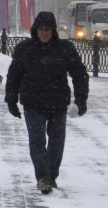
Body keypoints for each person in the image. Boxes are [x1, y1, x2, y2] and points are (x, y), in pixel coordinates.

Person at [5, 11, 89, 194]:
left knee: (57, 142)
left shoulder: (64, 48)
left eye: (48, 29)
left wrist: (80, 101)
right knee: (37, 142)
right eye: (41, 29)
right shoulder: (24, 49)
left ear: (53, 31)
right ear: (36, 30)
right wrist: (11, 99)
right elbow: (14, 76)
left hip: (58, 104)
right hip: (33, 104)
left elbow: (79, 75)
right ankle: (42, 178)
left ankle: (51, 176)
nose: (44, 33)